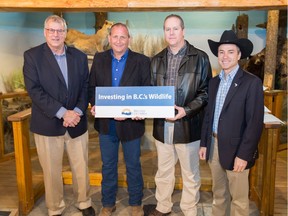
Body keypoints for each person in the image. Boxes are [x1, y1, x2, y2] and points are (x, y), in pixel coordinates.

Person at [23, 15, 95, 216]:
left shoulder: (79, 57)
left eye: (60, 30)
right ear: (45, 32)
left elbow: (85, 87)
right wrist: (63, 113)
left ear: (66, 33)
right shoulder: (32, 56)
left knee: (81, 167)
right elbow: (34, 91)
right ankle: (55, 208)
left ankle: (84, 202)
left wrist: (78, 112)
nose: (56, 34)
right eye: (51, 30)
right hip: (47, 124)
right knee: (52, 171)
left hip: (77, 122)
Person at [143, 14, 212, 216]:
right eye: (167, 29)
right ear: (164, 32)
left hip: (188, 124)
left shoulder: (200, 58)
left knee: (190, 173)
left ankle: (189, 210)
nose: (171, 33)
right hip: (162, 126)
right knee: (163, 172)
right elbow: (150, 92)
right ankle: (163, 207)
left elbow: (206, 93)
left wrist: (186, 110)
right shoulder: (156, 60)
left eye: (175, 28)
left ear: (183, 30)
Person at [199, 30, 264, 216]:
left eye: (230, 51)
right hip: (214, 147)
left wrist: (244, 155)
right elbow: (208, 115)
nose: (225, 56)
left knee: (239, 200)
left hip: (237, 150)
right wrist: (204, 142)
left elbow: (254, 123)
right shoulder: (213, 83)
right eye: (221, 52)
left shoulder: (252, 83)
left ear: (239, 55)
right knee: (219, 194)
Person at [88, 23, 151, 216]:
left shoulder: (142, 61)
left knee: (133, 164)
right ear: (109, 39)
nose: (118, 41)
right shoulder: (99, 59)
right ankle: (108, 203)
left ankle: (135, 203)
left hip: (132, 124)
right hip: (107, 124)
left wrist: (140, 110)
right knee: (108, 165)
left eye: (123, 37)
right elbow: (92, 88)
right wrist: (95, 104)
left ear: (129, 39)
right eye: (115, 37)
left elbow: (146, 89)